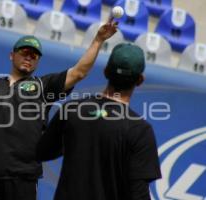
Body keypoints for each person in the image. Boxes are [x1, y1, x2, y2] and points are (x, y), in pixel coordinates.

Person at [0, 18, 118, 200]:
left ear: (37, 61)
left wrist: (98, 40)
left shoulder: (43, 87)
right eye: (25, 52)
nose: (28, 57)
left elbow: (79, 72)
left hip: (23, 176)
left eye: (34, 55)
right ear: (12, 55)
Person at [36, 43, 162, 200]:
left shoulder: (71, 109)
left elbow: (42, 152)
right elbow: (139, 194)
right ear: (140, 80)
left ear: (105, 72)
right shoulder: (140, 130)